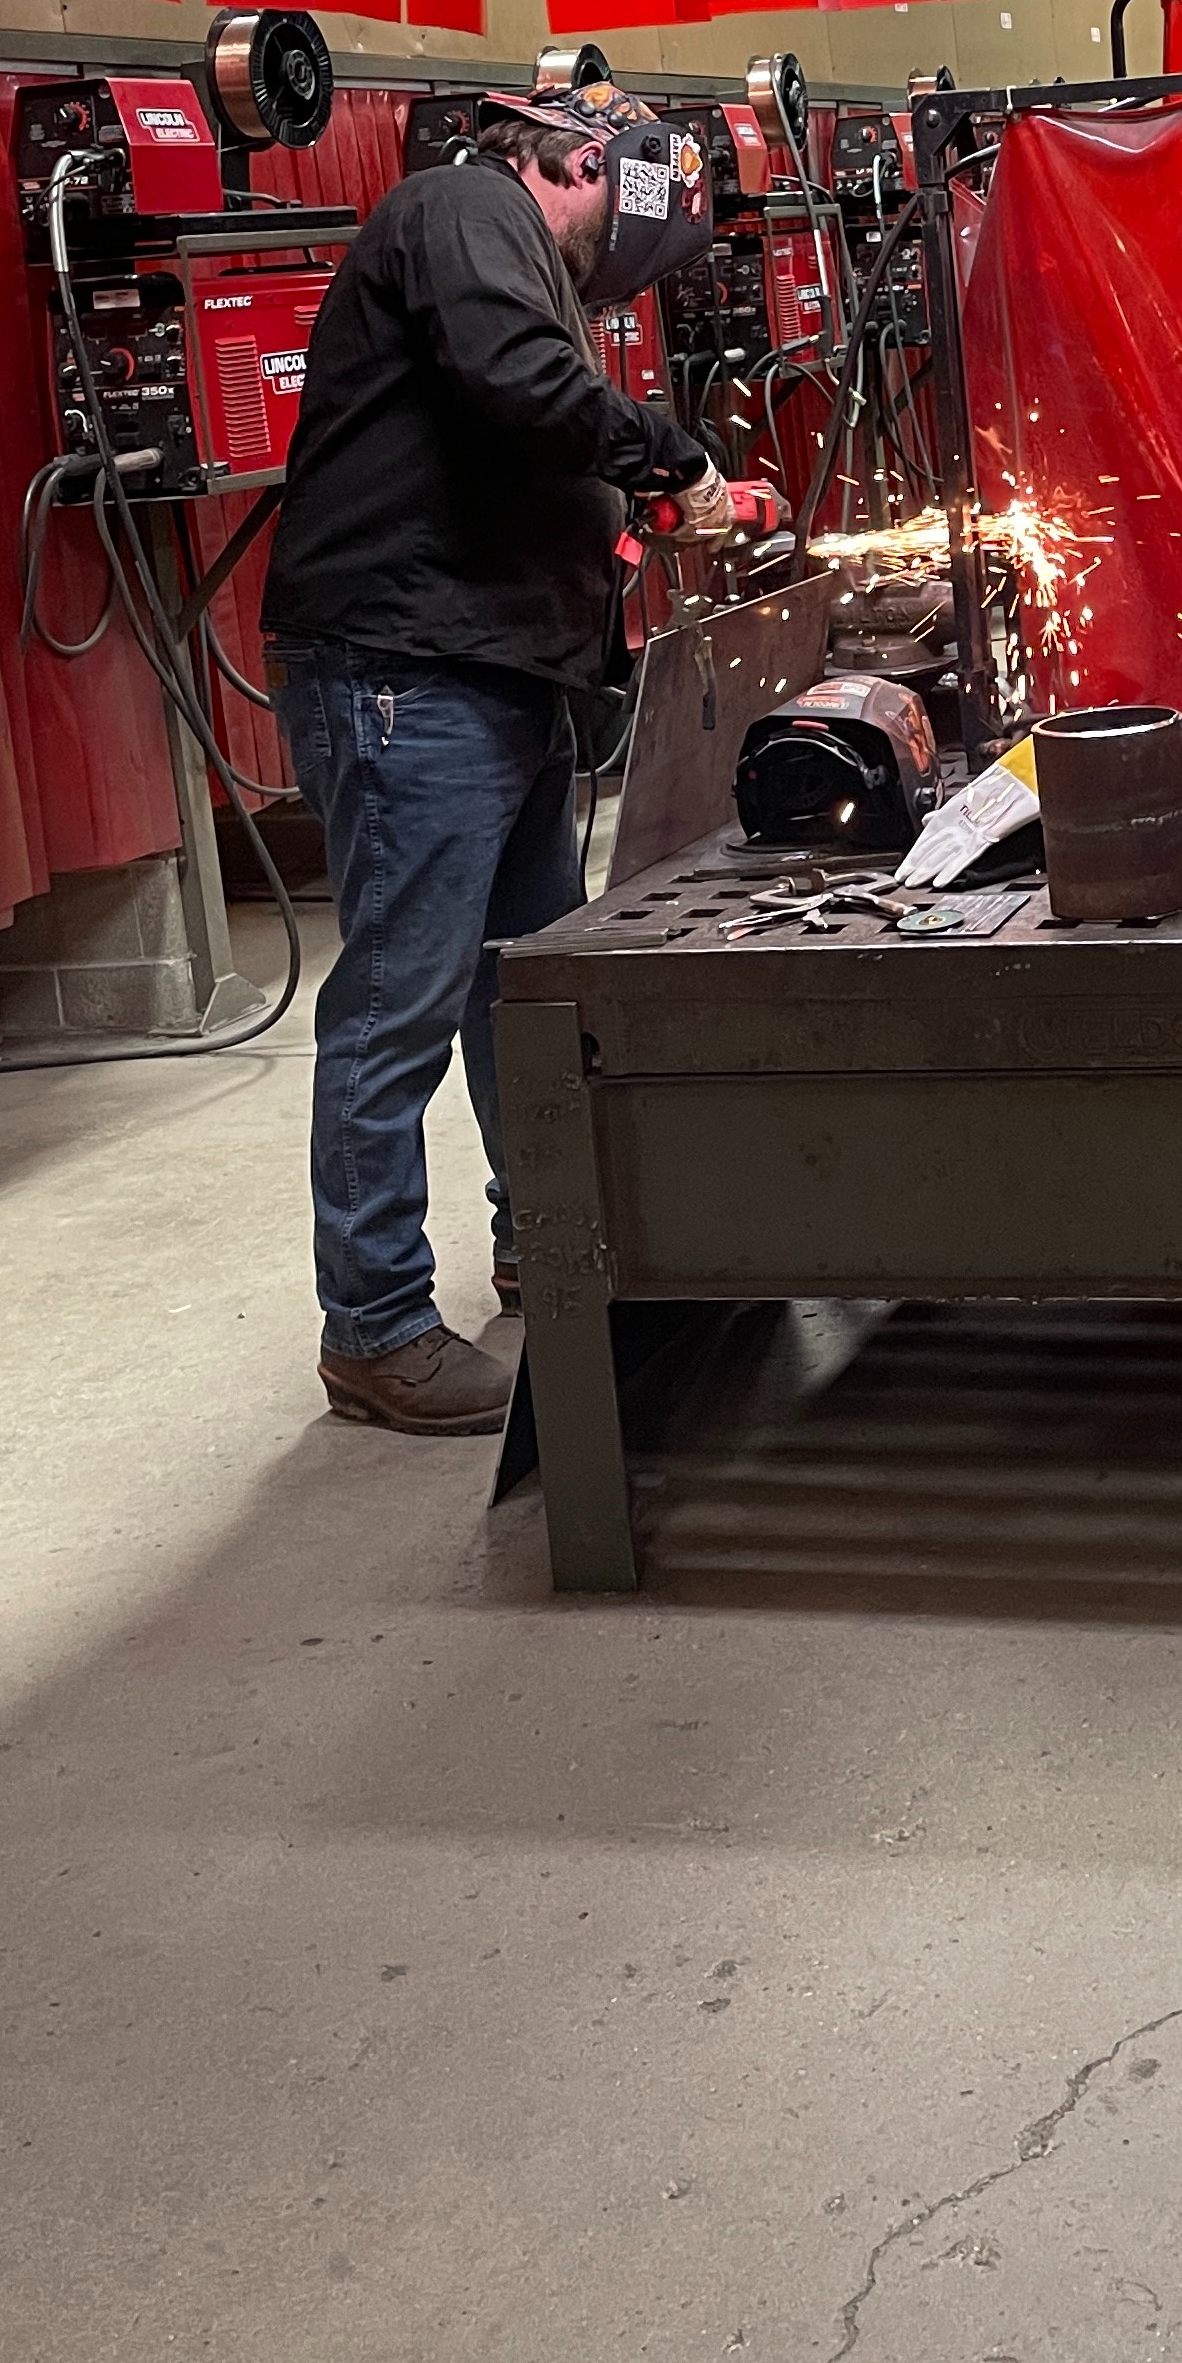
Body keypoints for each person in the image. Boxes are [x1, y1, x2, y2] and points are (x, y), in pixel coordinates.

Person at [263, 88, 727, 1436]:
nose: (607, 278)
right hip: (412, 679)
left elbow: (526, 421)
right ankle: (377, 1328)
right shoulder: (460, 210)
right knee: (398, 1005)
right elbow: (522, 387)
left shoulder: (517, 260)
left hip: (498, 679)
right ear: (584, 164)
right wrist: (670, 457)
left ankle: (546, 1239)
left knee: (521, 993)